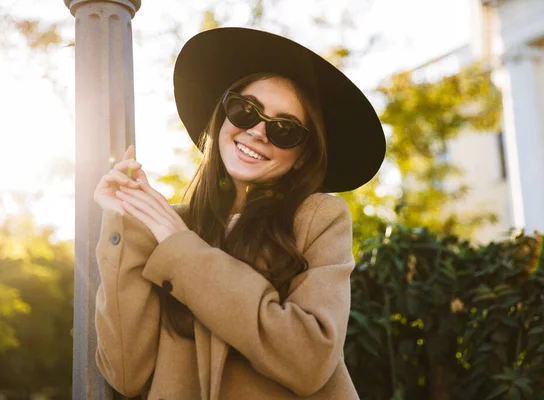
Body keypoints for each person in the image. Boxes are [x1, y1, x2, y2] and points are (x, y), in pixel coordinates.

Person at [93, 27, 385, 400]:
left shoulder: (318, 217)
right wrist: (130, 220)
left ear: (303, 157)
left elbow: (310, 359)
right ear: (222, 117)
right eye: (245, 110)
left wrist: (181, 249)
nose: (259, 131)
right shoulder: (168, 227)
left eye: (285, 129)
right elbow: (125, 373)